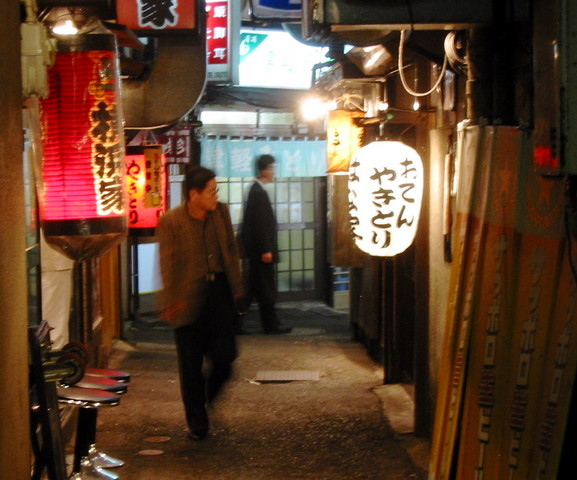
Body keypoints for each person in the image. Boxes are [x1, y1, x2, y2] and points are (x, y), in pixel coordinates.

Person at [158, 166, 244, 441]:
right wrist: (172, 301)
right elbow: (168, 263)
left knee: (226, 357)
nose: (216, 196)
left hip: (218, 291)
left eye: (216, 191)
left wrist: (236, 287)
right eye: (211, 191)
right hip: (186, 298)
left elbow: (230, 249)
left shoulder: (221, 213)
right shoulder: (171, 220)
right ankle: (197, 421)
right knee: (191, 364)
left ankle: (206, 396)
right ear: (194, 194)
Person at [240, 154, 292, 334]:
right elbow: (260, 224)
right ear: (264, 170)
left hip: (257, 251)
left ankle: (237, 324)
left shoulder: (256, 190)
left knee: (254, 288)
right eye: (272, 168)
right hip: (261, 251)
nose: (274, 172)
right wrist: (266, 249)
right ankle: (270, 325)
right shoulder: (257, 192)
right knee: (265, 289)